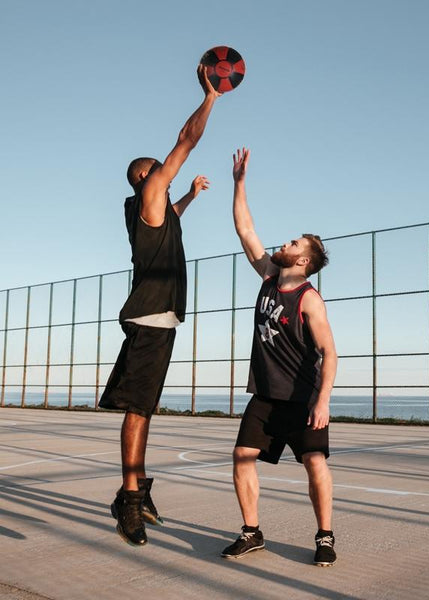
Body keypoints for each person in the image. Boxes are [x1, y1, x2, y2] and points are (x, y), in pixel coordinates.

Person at [99, 66, 220, 546]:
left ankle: (137, 487)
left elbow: (172, 213)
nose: (168, 174)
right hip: (149, 318)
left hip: (158, 320)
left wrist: (189, 195)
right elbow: (186, 140)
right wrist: (210, 98)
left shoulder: (154, 210)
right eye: (161, 171)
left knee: (144, 408)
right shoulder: (149, 193)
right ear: (146, 177)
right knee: (137, 409)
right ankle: (128, 498)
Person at [221, 148, 338, 566]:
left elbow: (330, 353)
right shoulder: (269, 276)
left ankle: (325, 537)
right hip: (266, 395)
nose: (284, 242)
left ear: (303, 260)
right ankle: (252, 533)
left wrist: (322, 401)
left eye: (293, 243)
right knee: (242, 457)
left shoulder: (309, 300)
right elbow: (245, 228)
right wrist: (239, 183)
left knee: (314, 462)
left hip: (302, 398)